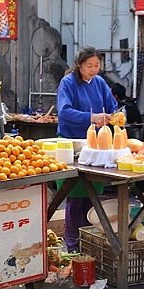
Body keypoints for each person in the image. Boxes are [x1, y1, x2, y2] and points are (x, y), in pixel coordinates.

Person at [56, 45, 118, 253]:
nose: (93, 69)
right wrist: (92, 118)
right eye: (89, 65)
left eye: (97, 65)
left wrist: (119, 115)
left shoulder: (100, 83)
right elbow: (64, 112)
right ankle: (73, 246)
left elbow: (112, 107)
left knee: (92, 198)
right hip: (71, 145)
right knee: (75, 195)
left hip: (95, 146)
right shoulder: (68, 82)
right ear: (79, 65)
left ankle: (90, 243)